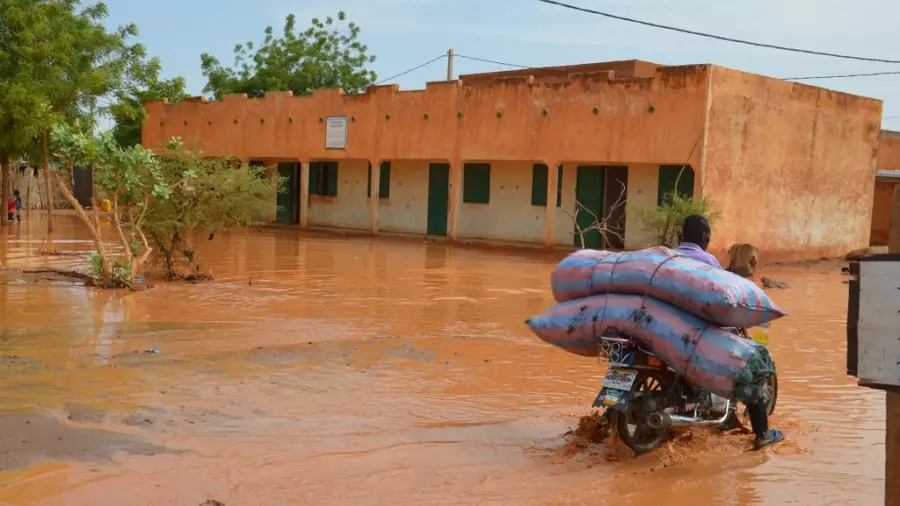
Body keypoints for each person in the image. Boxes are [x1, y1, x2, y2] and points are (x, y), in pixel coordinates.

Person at [675, 214, 784, 450]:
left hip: (673, 331)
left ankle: (719, 410)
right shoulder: (710, 262)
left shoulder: (669, 257)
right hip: (701, 332)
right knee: (755, 365)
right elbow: (721, 296)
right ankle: (762, 434)